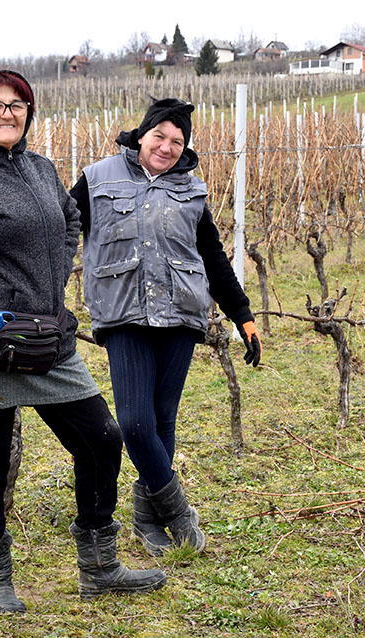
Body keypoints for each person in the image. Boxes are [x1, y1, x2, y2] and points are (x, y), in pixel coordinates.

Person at [0, 70, 165, 614]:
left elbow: (70, 215)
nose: (7, 113)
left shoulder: (41, 168)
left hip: (46, 339)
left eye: (17, 105)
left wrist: (54, 275)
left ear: (28, 113)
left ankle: (99, 566)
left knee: (102, 438)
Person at [70, 97, 262, 556]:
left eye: (177, 141)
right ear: (142, 134)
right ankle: (177, 511)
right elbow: (60, 235)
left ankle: (145, 515)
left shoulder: (193, 191)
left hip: (181, 314)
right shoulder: (97, 179)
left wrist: (243, 316)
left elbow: (213, 257)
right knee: (135, 424)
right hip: (124, 315)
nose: (167, 146)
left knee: (162, 420)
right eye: (160, 135)